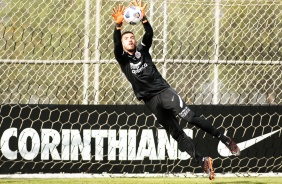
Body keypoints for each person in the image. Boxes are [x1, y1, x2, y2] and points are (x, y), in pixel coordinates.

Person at [111, 0, 240, 180]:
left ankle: (224, 139)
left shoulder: (143, 50)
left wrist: (144, 18)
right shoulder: (123, 59)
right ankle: (202, 160)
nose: (130, 40)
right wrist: (117, 27)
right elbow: (116, 46)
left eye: (132, 37)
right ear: (124, 44)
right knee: (176, 134)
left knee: (190, 117)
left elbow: (149, 34)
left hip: (164, 92)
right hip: (151, 102)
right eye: (127, 38)